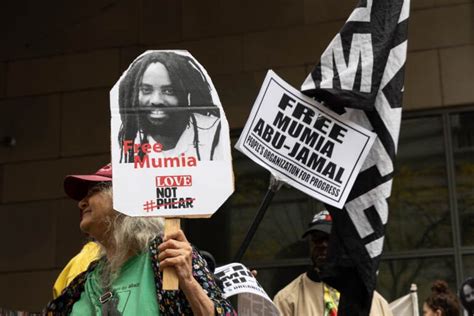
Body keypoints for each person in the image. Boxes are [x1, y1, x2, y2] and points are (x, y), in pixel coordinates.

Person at [45, 163, 235, 315]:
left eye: (93, 191)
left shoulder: (168, 255)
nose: (81, 203)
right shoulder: (84, 282)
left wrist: (189, 281)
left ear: (126, 198)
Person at [273, 210, 393, 316]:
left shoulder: (374, 302)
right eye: (317, 239)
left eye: (330, 238)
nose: (323, 245)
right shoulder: (287, 299)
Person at [118, 51, 222, 163]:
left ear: (186, 94)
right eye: (146, 90)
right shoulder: (130, 138)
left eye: (169, 91)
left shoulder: (213, 132)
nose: (156, 100)